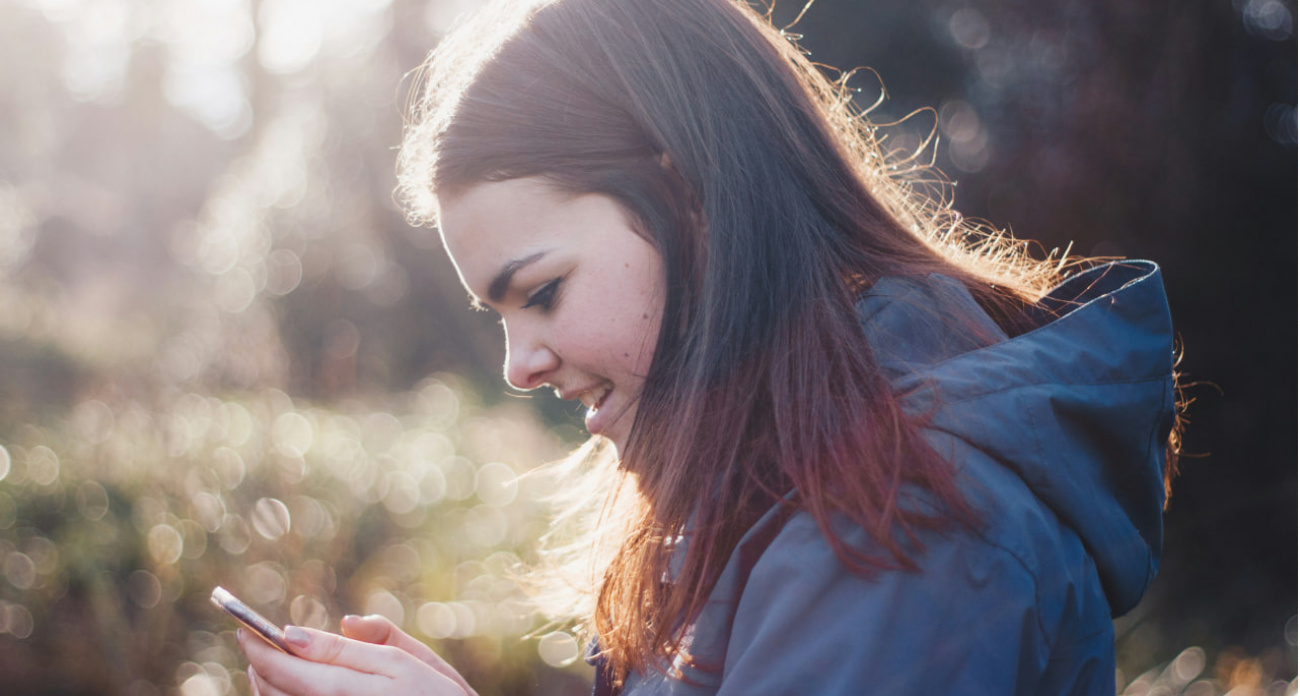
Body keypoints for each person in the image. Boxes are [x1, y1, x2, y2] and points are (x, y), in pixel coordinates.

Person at [237, 0, 1182, 693]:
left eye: (542, 293)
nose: (519, 364)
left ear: (691, 201)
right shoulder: (785, 485)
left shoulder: (904, 525)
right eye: (502, 317)